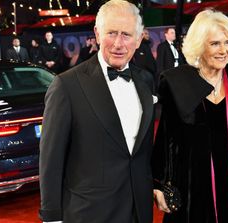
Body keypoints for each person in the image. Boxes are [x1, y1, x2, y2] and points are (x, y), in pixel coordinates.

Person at [152, 9, 228, 223]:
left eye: (227, 42)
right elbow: (167, 139)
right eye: (214, 43)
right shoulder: (178, 84)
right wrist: (161, 184)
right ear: (200, 46)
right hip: (195, 194)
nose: (224, 50)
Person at [39, 0, 155, 223]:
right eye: (111, 33)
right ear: (97, 33)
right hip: (89, 213)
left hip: (139, 211)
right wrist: (51, 217)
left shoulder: (145, 81)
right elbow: (50, 159)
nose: (118, 44)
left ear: (139, 39)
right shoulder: (67, 85)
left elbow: (142, 152)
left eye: (127, 35)